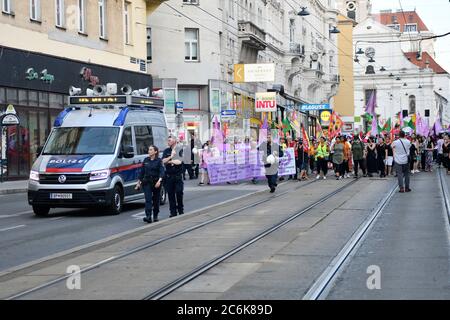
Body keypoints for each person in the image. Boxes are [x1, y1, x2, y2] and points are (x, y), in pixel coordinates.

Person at [136, 145, 165, 223]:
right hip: (147, 182)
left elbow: (162, 172)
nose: (149, 151)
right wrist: (138, 182)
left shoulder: (159, 161)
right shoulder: (146, 160)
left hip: (156, 182)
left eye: (151, 150)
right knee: (148, 199)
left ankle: (155, 215)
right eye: (149, 150)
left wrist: (159, 181)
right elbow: (142, 172)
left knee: (156, 200)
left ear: (155, 151)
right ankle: (148, 216)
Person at [162, 136, 184, 217]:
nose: (168, 141)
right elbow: (163, 161)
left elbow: (179, 161)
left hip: (177, 176)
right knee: (170, 194)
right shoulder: (166, 151)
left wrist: (169, 161)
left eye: (170, 140)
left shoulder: (180, 150)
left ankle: (180, 209)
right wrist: (171, 157)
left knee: (179, 192)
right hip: (169, 176)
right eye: (168, 140)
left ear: (174, 140)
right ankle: (173, 212)